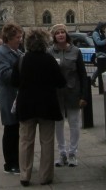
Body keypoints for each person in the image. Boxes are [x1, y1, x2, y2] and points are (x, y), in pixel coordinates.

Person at [13, 28, 66, 186]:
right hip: (47, 106)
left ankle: (24, 175)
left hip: (26, 106)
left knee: (25, 142)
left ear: (27, 43)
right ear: (44, 43)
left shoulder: (21, 60)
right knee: (47, 142)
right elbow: (61, 82)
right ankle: (45, 176)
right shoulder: (50, 60)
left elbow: (13, 82)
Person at [49, 24, 87, 168]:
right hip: (56, 94)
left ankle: (72, 153)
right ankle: (62, 153)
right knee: (58, 125)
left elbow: (83, 75)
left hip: (73, 92)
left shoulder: (76, 51)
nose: (60, 35)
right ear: (54, 36)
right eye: (58, 33)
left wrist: (84, 96)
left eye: (63, 32)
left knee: (74, 124)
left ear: (66, 34)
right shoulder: (50, 52)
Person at [0, 22, 23, 175]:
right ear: (9, 38)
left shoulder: (16, 52)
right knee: (10, 130)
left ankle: (16, 161)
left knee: (15, 130)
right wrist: (21, 71)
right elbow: (4, 75)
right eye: (18, 37)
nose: (20, 39)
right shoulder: (2, 53)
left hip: (16, 96)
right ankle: (10, 164)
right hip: (8, 97)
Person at [89, 22, 106, 87]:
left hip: (103, 52)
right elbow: (98, 43)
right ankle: (93, 80)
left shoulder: (101, 32)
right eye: (103, 27)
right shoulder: (96, 33)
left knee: (100, 68)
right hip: (100, 53)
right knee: (101, 68)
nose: (104, 28)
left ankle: (93, 80)